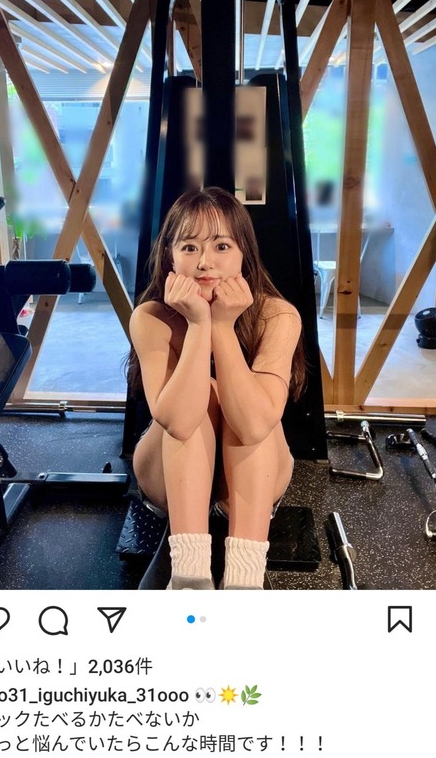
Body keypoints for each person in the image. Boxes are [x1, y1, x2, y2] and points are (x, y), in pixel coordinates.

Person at [128, 187, 305, 589]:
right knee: (199, 396)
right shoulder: (151, 317)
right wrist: (198, 324)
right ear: (170, 256)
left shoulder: (277, 315)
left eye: (221, 246)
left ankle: (244, 580)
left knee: (250, 408)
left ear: (244, 253)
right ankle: (189, 577)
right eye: (189, 247)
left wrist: (223, 327)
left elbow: (255, 425)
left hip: (252, 474)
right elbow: (178, 421)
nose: (205, 262)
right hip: (166, 474)